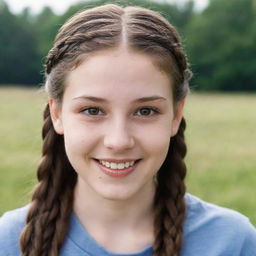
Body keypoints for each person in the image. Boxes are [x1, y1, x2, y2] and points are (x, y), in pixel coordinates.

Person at [0, 3, 255, 256]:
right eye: (92, 110)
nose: (119, 140)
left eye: (145, 111)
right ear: (57, 113)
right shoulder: (9, 242)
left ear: (176, 115)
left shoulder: (233, 242)